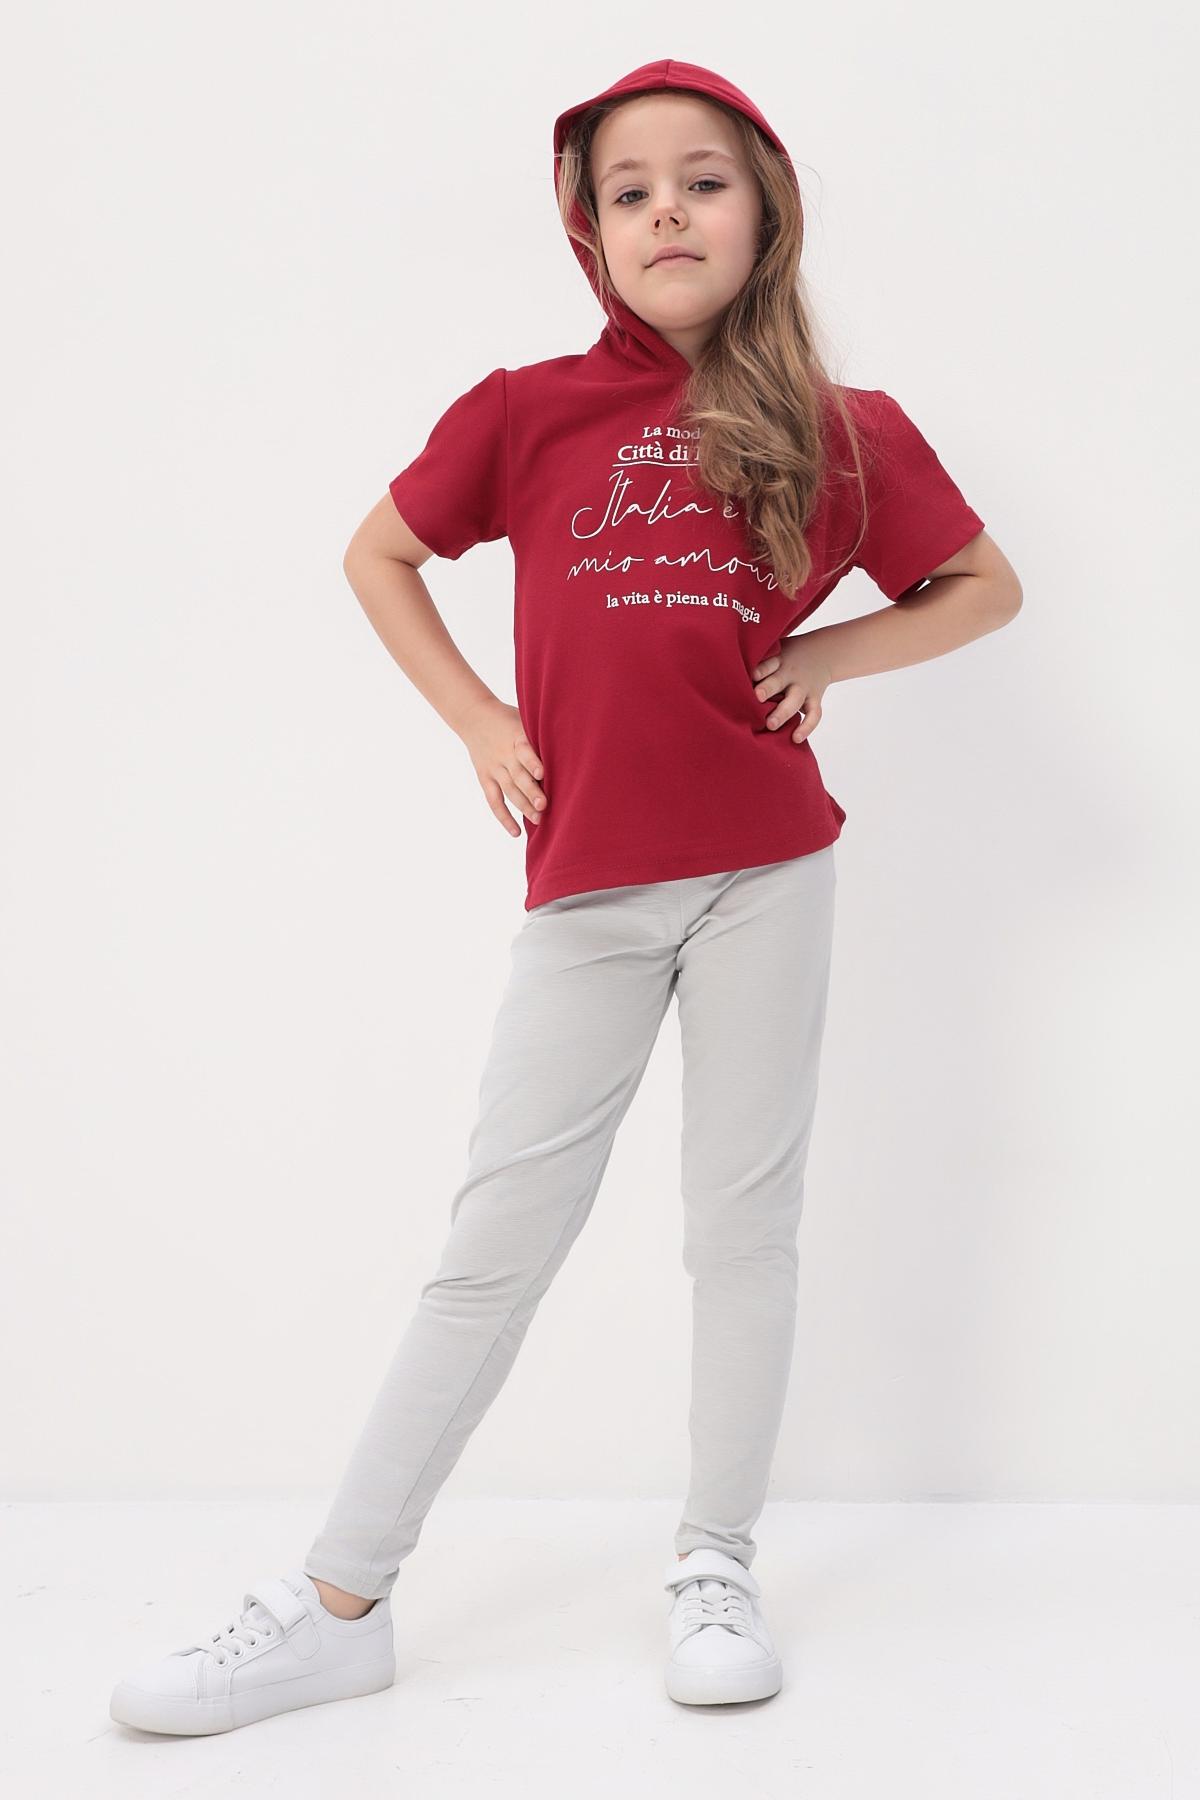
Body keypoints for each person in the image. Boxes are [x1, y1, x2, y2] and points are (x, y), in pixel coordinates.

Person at [110, 56, 1021, 1736]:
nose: (668, 210)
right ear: (587, 229)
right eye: (630, 189)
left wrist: (832, 652)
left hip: (768, 873)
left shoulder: (845, 430)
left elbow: (982, 585)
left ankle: (715, 1563)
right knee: (497, 1243)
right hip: (589, 886)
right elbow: (380, 553)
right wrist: (480, 718)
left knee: (741, 1232)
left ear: (765, 211)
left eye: (703, 180)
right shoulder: (526, 412)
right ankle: (339, 1599)